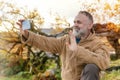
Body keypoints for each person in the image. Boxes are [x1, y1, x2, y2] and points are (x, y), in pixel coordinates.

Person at [17, 11, 110, 80]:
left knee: (91, 67)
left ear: (90, 25)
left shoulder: (97, 44)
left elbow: (104, 62)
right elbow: (46, 42)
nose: (75, 25)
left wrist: (77, 50)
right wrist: (27, 34)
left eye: (79, 22)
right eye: (74, 22)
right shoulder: (66, 40)